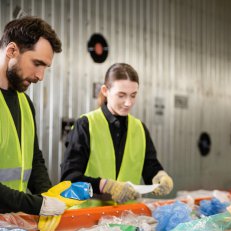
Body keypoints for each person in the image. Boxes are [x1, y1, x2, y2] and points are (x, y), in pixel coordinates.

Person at [0, 16, 82, 231]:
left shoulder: (25, 103)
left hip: (10, 226)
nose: (40, 76)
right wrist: (38, 205)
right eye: (37, 64)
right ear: (12, 51)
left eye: (46, 67)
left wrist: (49, 197)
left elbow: (35, 159)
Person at [61, 63, 174, 207]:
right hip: (87, 220)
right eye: (121, 95)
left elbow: (150, 167)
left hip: (126, 219)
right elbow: (68, 180)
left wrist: (159, 176)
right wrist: (104, 186)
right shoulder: (85, 125)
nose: (128, 103)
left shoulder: (140, 129)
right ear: (105, 91)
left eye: (133, 95)